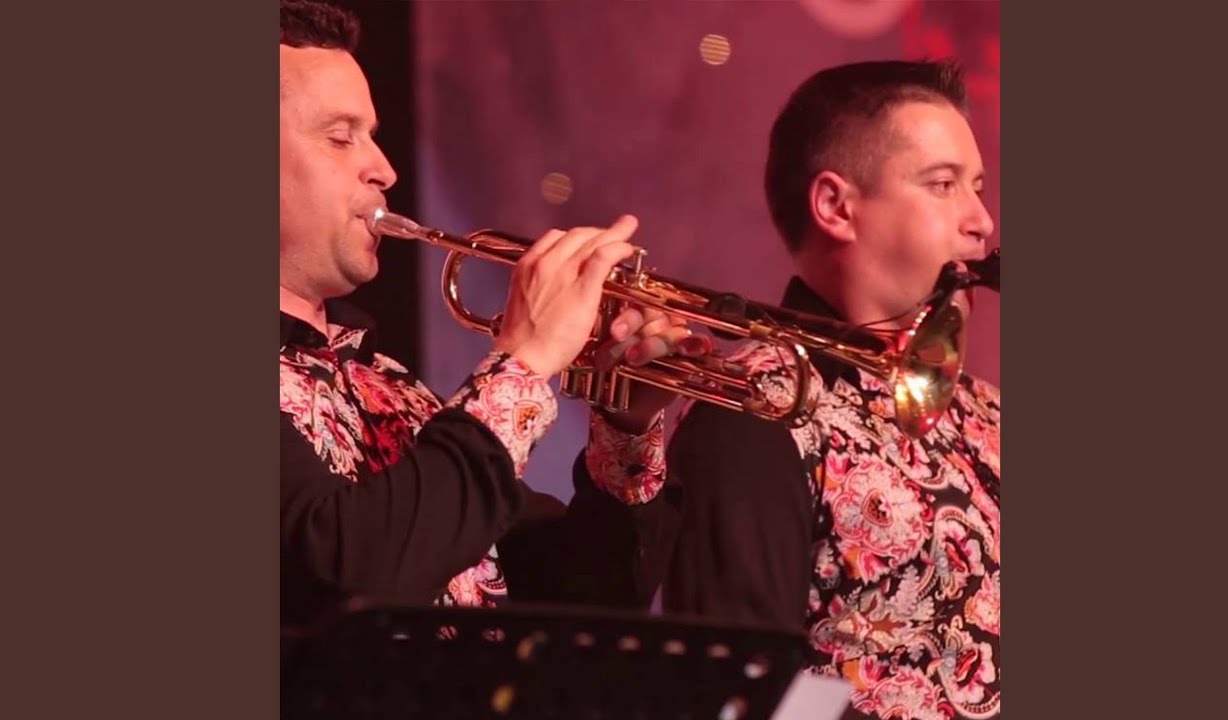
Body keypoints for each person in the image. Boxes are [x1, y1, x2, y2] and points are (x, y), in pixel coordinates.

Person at [279, 0, 692, 657]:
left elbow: (585, 604)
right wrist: (523, 362)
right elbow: (346, 570)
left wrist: (627, 427)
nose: (384, 169)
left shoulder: (392, 387)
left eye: (373, 134)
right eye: (340, 136)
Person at [661, 60, 1001, 719]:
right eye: (943, 184)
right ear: (836, 207)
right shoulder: (753, 409)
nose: (982, 220)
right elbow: (738, 685)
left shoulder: (987, 410)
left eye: (978, 187)